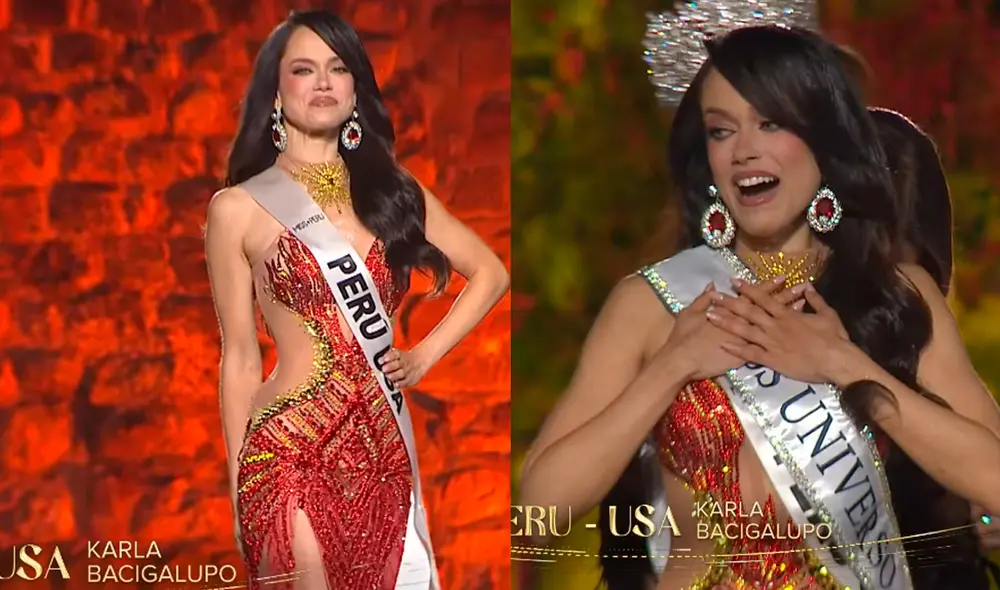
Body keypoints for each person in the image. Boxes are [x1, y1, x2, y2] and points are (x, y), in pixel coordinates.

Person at [518, 25, 1000, 590]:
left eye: (771, 123)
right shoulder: (651, 302)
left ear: (824, 140)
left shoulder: (895, 293)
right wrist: (672, 366)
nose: (744, 150)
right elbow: (538, 516)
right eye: (721, 131)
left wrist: (843, 365)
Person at [204, 10, 509, 590]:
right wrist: (236, 484)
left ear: (354, 91)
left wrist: (423, 356)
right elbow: (240, 357)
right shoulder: (237, 209)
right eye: (303, 69)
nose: (323, 82)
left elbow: (490, 273)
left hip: (381, 455)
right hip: (287, 449)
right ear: (276, 89)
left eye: (338, 69)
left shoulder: (396, 193)